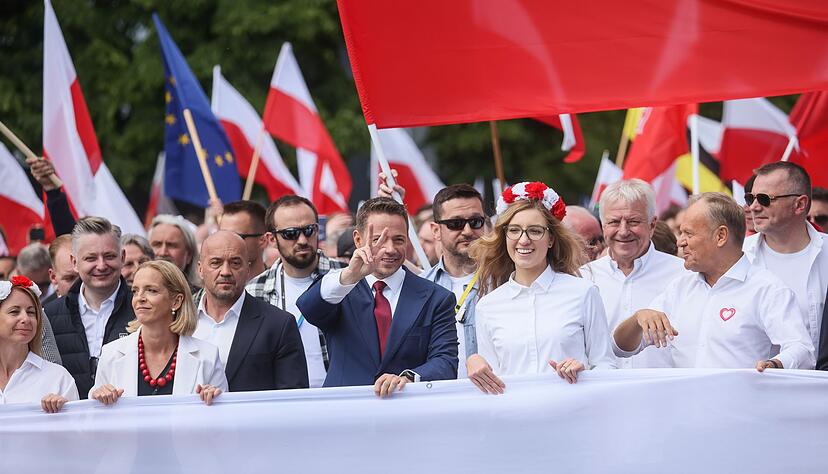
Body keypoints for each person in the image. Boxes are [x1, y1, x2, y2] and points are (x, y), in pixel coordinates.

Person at [614, 193, 815, 370]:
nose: (680, 242)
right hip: (686, 412)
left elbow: (802, 349)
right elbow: (621, 349)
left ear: (720, 236)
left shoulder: (767, 289)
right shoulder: (679, 289)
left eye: (688, 233)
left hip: (741, 411)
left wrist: (774, 365)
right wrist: (637, 318)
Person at [297, 197, 458, 397]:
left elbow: (446, 362)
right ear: (358, 240)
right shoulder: (339, 289)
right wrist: (349, 276)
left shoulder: (437, 298)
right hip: (345, 413)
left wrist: (408, 377)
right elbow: (309, 309)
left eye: (398, 240)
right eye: (378, 240)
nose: (389, 249)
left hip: (407, 411)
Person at [469, 182, 615, 392]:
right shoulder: (487, 306)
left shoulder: (583, 293)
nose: (524, 240)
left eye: (535, 231)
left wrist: (585, 371)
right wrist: (473, 360)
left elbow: (606, 365)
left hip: (572, 415)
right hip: (516, 419)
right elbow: (491, 383)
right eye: (514, 231)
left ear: (551, 239)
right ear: (504, 237)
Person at [379, 179, 488, 381]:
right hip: (437, 401)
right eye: (455, 223)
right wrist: (391, 205)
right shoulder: (419, 289)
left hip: (494, 400)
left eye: (475, 222)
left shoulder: (507, 281)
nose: (467, 231)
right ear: (435, 230)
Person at [581, 180, 688, 368]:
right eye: (614, 222)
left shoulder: (683, 274)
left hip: (665, 393)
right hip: (604, 394)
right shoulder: (583, 278)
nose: (623, 231)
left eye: (633, 221)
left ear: (652, 224)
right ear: (603, 226)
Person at [90, 261, 226, 405]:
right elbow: (93, 419)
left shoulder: (208, 356)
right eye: (135, 291)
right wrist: (98, 396)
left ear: (176, 301)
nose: (140, 298)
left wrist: (214, 401)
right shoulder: (111, 354)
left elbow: (224, 419)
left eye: (151, 290)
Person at [246, 195, 344, 388]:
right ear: (271, 239)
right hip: (282, 404)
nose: (302, 240)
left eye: (309, 230)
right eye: (290, 233)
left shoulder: (345, 279)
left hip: (339, 400)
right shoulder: (253, 291)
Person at [194, 231, 308, 391]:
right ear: (200, 269)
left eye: (235, 263)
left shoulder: (278, 325)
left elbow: (292, 397)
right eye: (216, 263)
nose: (225, 271)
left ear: (247, 269)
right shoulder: (178, 321)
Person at [44, 217, 135, 399]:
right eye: (91, 258)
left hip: (127, 422)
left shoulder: (143, 310)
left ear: (122, 257)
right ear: (75, 262)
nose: (101, 266)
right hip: (68, 424)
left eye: (109, 256)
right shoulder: (48, 316)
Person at [743, 162, 828, 355]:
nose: (753, 207)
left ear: (799, 204)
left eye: (764, 199)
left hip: (820, 382)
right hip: (758, 381)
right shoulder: (739, 256)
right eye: (750, 198)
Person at [0, 276, 78, 412]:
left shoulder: (58, 377)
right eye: (14, 312)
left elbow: (77, 430)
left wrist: (62, 414)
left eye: (31, 312)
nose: (25, 318)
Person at [218, 200, 269, 278]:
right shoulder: (209, 287)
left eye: (235, 237)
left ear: (263, 241)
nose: (226, 243)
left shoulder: (279, 287)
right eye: (222, 236)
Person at [148, 214, 200, 288]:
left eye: (171, 245)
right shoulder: (134, 295)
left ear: (188, 255)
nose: (163, 252)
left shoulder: (201, 298)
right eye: (157, 244)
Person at [46, 235, 78, 303]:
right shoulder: (44, 312)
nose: (79, 285)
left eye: (83, 277)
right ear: (53, 277)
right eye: (70, 278)